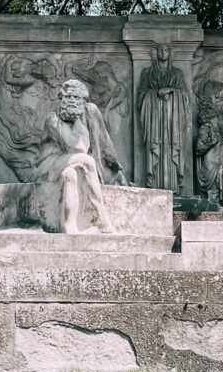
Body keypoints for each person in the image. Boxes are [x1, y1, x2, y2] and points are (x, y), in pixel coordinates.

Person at [36, 79, 126, 234]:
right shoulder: (53, 119)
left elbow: (105, 143)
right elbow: (77, 148)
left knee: (70, 175)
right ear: (62, 99)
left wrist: (117, 170)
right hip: (51, 165)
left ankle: (69, 227)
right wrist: (76, 120)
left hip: (69, 167)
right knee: (86, 161)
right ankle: (102, 220)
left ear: (84, 102)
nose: (71, 101)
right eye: (68, 97)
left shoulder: (90, 113)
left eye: (76, 98)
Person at [136, 42, 189, 191]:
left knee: (172, 148)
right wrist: (155, 94)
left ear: (170, 53)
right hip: (154, 118)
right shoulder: (147, 73)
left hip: (173, 120)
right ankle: (153, 184)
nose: (164, 52)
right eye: (161, 50)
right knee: (155, 147)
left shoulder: (177, 73)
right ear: (156, 53)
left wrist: (172, 92)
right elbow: (141, 94)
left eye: (166, 50)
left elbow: (185, 96)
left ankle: (173, 186)